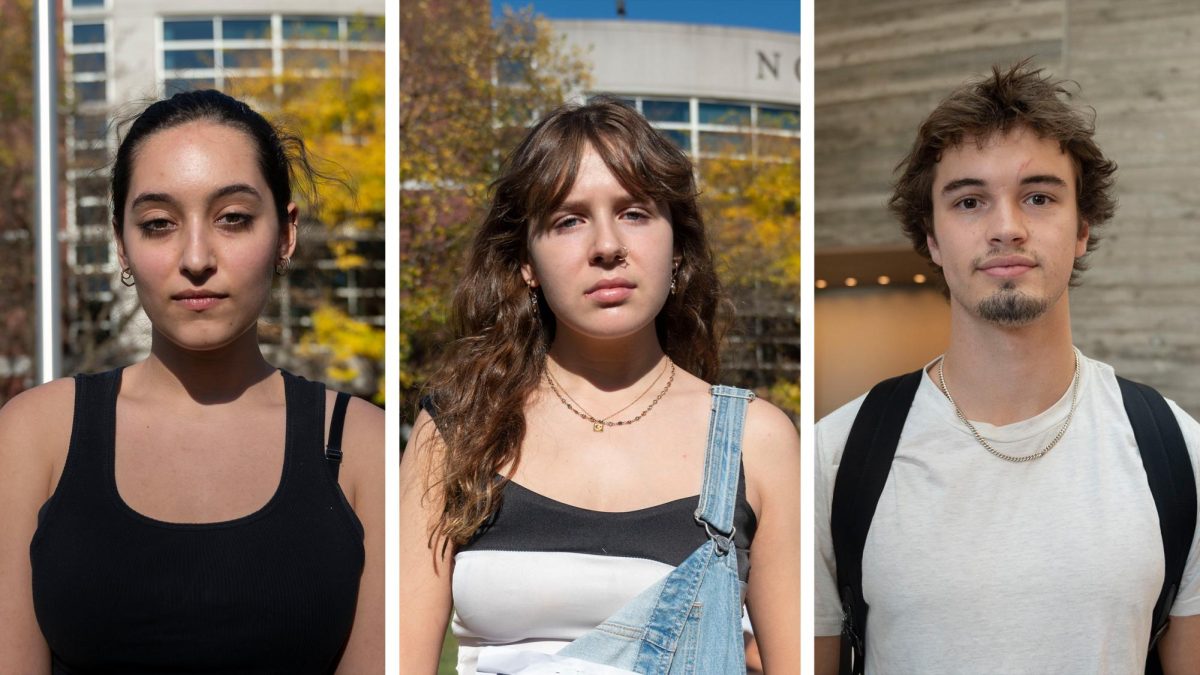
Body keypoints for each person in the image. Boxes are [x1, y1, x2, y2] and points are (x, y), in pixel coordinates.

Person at [814, 63, 1200, 674]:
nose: (1006, 229)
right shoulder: (835, 458)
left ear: (1081, 229)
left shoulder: (1178, 450)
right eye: (970, 201)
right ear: (933, 240)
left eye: (1040, 197)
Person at [399, 97, 800, 673]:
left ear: (678, 246)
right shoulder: (455, 431)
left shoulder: (756, 441)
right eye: (568, 220)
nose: (607, 246)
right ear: (525, 264)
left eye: (635, 212)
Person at [0, 90, 383, 673]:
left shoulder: (363, 448)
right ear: (121, 243)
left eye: (233, 218)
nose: (197, 256)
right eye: (158, 224)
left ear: (285, 234)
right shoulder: (32, 438)